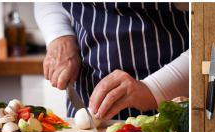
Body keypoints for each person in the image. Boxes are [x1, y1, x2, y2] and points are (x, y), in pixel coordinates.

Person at [35, 2, 189, 120]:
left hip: (175, 100)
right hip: (84, 94)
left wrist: (155, 89)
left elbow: (212, 38)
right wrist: (58, 33)